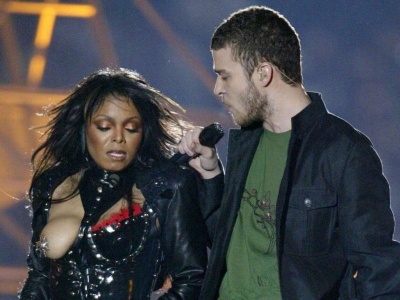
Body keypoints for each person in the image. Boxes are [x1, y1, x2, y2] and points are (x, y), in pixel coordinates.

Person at [178, 6, 400, 300]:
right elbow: (230, 241)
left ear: (263, 73)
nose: (218, 88)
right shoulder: (248, 143)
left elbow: (379, 273)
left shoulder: (344, 153)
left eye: (225, 76)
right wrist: (210, 176)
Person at [19, 67, 208, 299]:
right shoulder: (52, 184)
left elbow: (191, 280)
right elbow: (38, 278)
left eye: (131, 128)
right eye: (105, 127)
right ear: (84, 127)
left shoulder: (167, 186)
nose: (118, 137)